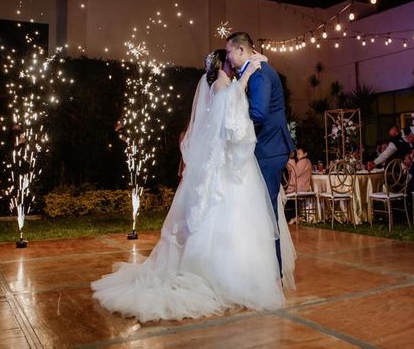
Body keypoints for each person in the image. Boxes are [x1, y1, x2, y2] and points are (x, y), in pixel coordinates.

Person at [91, 50, 295, 322]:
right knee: (232, 217)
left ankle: (242, 271)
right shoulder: (223, 85)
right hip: (228, 164)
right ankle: (226, 276)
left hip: (225, 161)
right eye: (231, 60)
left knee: (233, 219)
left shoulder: (217, 85)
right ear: (225, 64)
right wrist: (245, 77)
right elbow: (232, 124)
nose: (235, 65)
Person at [225, 32, 295, 272]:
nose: (228, 57)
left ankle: (272, 272)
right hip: (269, 147)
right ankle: (265, 268)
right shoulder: (254, 71)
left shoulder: (260, 74)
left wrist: (234, 124)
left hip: (269, 148)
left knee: (267, 211)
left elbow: (258, 113)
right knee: (263, 209)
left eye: (230, 52)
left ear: (241, 50)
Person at [285, 146, 313, 224]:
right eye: (297, 154)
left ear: (305, 154)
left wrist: (291, 161)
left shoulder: (305, 161)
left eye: (299, 153)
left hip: (301, 187)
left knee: (288, 194)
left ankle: (292, 217)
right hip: (299, 186)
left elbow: (296, 172)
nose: (297, 155)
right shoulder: (301, 162)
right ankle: (294, 216)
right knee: (289, 196)